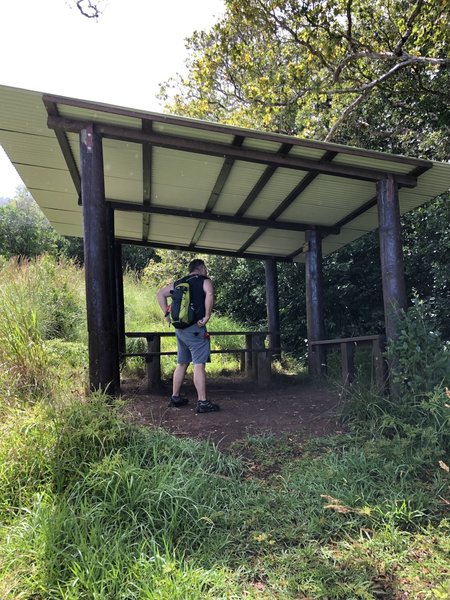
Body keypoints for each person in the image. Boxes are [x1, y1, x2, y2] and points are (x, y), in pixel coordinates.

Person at [156, 258, 220, 414]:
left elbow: (160, 294)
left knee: (182, 363)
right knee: (199, 364)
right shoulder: (204, 281)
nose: (206, 272)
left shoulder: (180, 282)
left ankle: (175, 397)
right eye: (205, 269)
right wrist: (207, 316)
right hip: (196, 328)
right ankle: (203, 402)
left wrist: (167, 314)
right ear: (201, 268)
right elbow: (209, 294)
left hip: (180, 329)